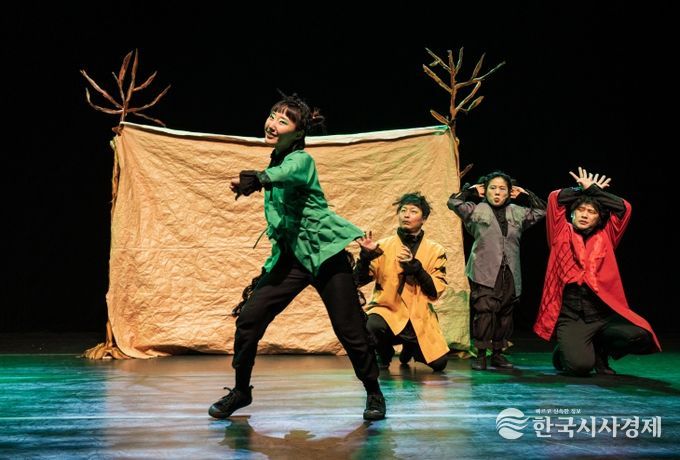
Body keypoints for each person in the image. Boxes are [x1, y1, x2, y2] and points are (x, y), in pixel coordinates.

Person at [208, 94, 386, 421]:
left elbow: (288, 173)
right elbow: (279, 188)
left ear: (298, 133)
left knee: (349, 329)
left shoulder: (301, 160)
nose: (272, 124)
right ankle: (241, 391)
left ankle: (374, 392)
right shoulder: (275, 164)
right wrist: (259, 181)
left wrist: (257, 180)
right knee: (249, 319)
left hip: (325, 255)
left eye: (283, 120)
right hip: (291, 260)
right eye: (272, 116)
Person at [534, 167, 660, 376]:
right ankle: (565, 352)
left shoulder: (607, 235)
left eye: (591, 212)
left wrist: (595, 191)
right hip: (572, 317)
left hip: (601, 317)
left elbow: (624, 208)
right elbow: (555, 198)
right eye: (581, 210)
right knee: (579, 367)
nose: (585, 214)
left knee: (642, 336)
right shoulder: (560, 232)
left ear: (599, 218)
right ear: (572, 213)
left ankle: (600, 350)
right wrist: (581, 190)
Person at [447, 171, 546, 370]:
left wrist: (525, 194)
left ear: (509, 192)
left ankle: (498, 354)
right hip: (483, 271)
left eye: (502, 189)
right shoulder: (475, 210)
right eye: (492, 188)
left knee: (505, 313)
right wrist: (470, 191)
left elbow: (541, 211)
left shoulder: (517, 212)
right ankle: (481, 354)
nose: (497, 192)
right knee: (485, 311)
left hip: (509, 271)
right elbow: (453, 203)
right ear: (485, 191)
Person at [354, 193, 450, 372]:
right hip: (388, 310)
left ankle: (410, 347)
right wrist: (365, 258)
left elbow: (434, 291)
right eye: (403, 210)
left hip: (418, 315)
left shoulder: (435, 250)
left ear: (424, 219)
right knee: (371, 326)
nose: (406, 215)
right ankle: (384, 352)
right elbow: (357, 281)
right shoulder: (383, 246)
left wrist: (417, 269)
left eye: (413, 211)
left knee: (439, 364)